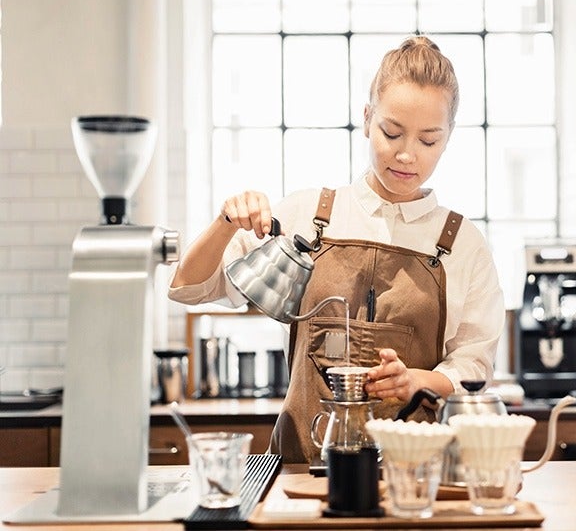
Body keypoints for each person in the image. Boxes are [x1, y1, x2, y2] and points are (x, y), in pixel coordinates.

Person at [169, 36, 505, 463]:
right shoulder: (307, 215)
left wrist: (417, 380)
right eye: (392, 132)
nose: (406, 155)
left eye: (428, 141)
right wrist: (225, 223)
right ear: (367, 119)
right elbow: (187, 288)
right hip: (300, 469)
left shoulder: (463, 244)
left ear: (448, 137)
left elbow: (473, 367)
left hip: (412, 474)